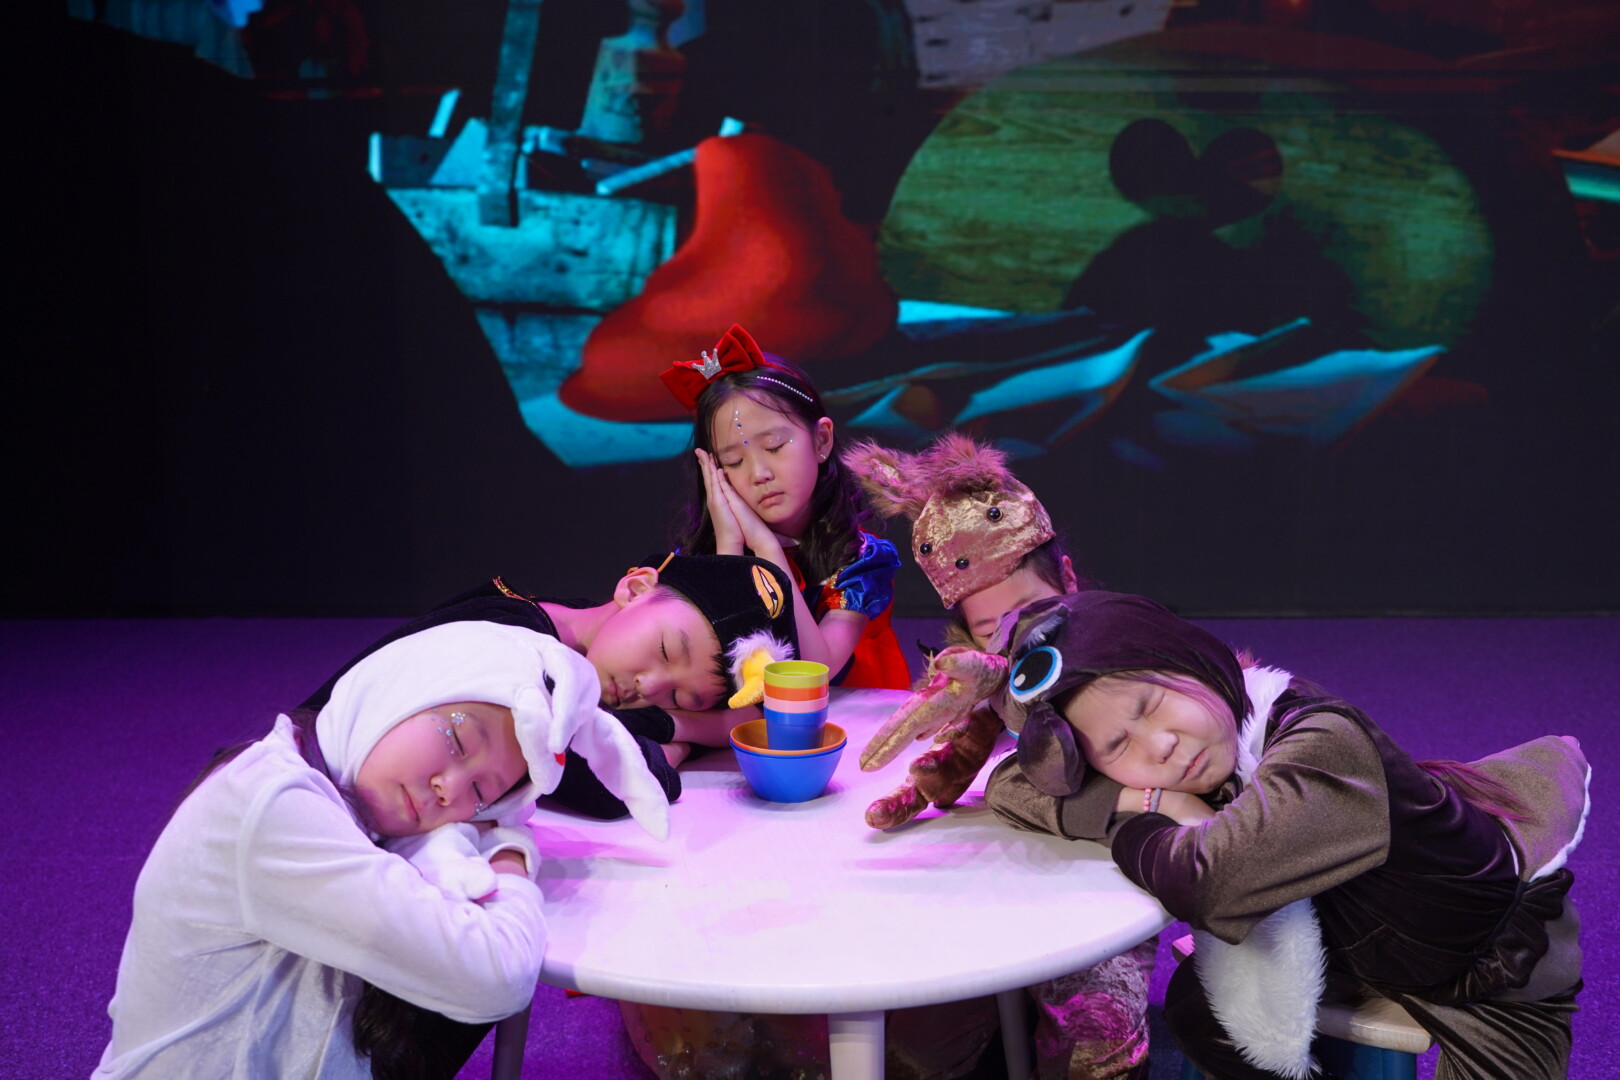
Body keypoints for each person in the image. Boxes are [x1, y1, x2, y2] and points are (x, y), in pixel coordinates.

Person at [984, 590, 1588, 1080]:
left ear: (1190, 661)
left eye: (1151, 704)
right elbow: (1008, 786)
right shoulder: (1195, 760)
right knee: (1198, 1012)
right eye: (1118, 747)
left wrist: (1136, 824)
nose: (1159, 744)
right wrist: (1155, 800)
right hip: (1348, 936)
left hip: (1483, 969)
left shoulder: (1322, 743)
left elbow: (1210, 882)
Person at [94, 618, 671, 1080]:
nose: (449, 788)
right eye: (457, 738)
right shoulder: (273, 804)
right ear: (402, 691)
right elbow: (497, 978)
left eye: (480, 793)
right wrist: (512, 856)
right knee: (465, 949)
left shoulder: (330, 787)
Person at [845, 432, 1154, 1080]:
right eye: (991, 630)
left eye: (1029, 611)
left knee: (1095, 1045)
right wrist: (926, 783)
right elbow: (961, 753)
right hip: (1019, 870)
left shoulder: (1130, 658)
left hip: (1109, 873)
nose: (1018, 639)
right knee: (919, 1040)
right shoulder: (988, 684)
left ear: (1068, 580)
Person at [299, 552, 802, 819]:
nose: (648, 686)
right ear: (635, 588)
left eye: (678, 697)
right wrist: (690, 728)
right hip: (317, 793)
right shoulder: (523, 647)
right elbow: (611, 789)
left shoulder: (568, 629)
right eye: (667, 651)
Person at [662, 322, 910, 691]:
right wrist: (730, 549)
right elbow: (718, 679)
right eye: (733, 462)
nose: (759, 473)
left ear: (821, 440)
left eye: (775, 446)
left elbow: (814, 672)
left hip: (853, 719)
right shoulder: (696, 564)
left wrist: (765, 547)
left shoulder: (860, 560)